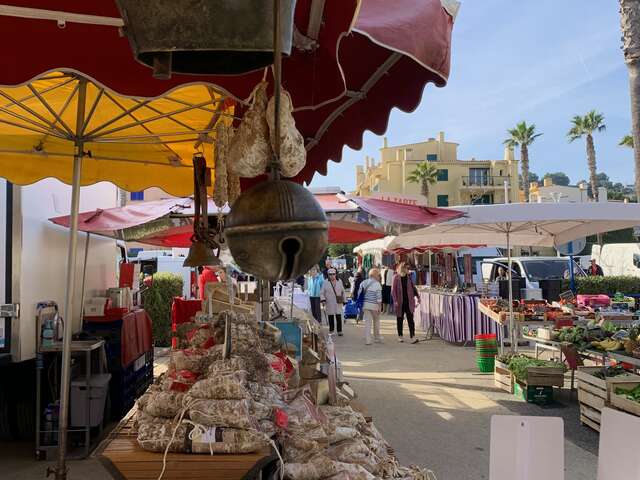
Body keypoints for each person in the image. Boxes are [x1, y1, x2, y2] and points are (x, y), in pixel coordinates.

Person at [392, 262, 420, 343]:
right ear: (402, 268)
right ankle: (400, 335)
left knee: (410, 319)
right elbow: (393, 291)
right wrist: (395, 300)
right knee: (399, 319)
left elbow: (413, 288)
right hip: (400, 302)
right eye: (407, 268)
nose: (408, 270)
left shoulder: (409, 277)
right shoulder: (396, 277)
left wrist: (418, 297)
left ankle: (413, 336)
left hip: (409, 301)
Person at [359, 268, 383, 345]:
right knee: (376, 321)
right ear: (375, 275)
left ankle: (368, 340)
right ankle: (376, 338)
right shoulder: (377, 284)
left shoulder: (363, 282)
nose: (379, 276)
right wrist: (380, 307)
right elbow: (379, 297)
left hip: (365, 305)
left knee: (367, 323)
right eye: (378, 275)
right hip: (374, 305)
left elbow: (359, 294)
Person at [320, 268, 347, 335]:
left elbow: (343, 291)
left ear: (335, 274)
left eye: (333, 274)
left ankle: (339, 331)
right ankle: (331, 330)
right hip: (329, 302)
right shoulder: (325, 282)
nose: (332, 276)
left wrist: (344, 300)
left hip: (338, 302)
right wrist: (323, 300)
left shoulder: (339, 281)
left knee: (338, 317)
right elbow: (321, 292)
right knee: (330, 317)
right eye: (330, 274)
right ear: (328, 275)